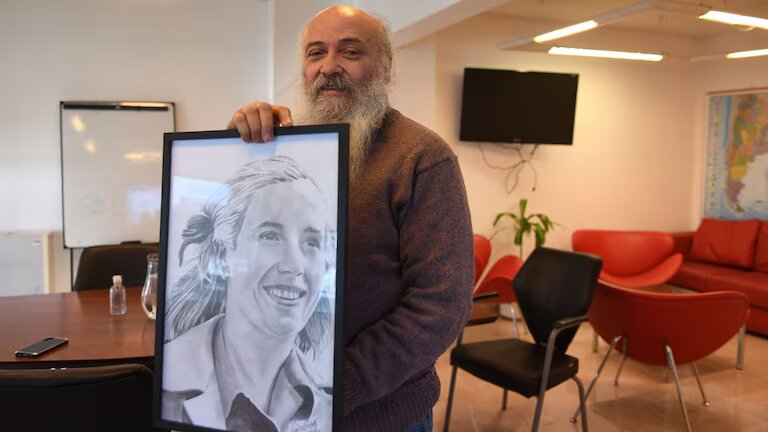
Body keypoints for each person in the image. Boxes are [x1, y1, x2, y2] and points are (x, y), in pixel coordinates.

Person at [227, 5, 474, 432]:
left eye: (350, 51)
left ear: (385, 66)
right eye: (316, 53)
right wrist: (233, 147)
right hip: (274, 404)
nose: (329, 67)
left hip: (380, 416)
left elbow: (440, 306)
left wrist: (333, 386)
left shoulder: (422, 158)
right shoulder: (284, 148)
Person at [162, 155, 334, 432]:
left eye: (312, 242)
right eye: (270, 236)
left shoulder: (332, 400)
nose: (294, 265)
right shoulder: (166, 379)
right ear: (222, 256)